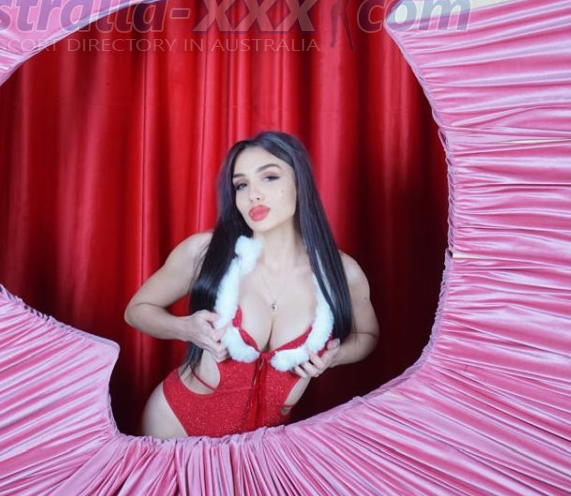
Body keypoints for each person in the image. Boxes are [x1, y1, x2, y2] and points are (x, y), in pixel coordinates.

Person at [124, 131, 379, 439]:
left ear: (300, 183)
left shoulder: (342, 272)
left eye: (269, 177)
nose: (253, 195)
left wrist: (336, 355)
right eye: (241, 185)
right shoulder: (205, 251)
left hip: (263, 446)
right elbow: (136, 310)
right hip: (174, 425)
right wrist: (185, 328)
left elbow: (368, 335)